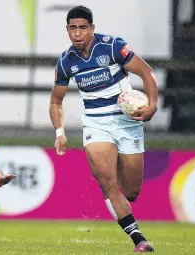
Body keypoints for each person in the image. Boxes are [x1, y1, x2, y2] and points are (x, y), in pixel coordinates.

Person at [49, 6, 158, 253]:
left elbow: (146, 73)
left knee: (131, 192)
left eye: (83, 28)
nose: (77, 34)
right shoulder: (66, 62)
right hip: (96, 124)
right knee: (107, 182)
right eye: (72, 28)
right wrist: (60, 132)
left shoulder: (111, 46)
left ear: (92, 29)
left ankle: (117, 164)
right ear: (67, 30)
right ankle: (139, 240)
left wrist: (152, 106)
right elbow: (56, 101)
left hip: (127, 122)